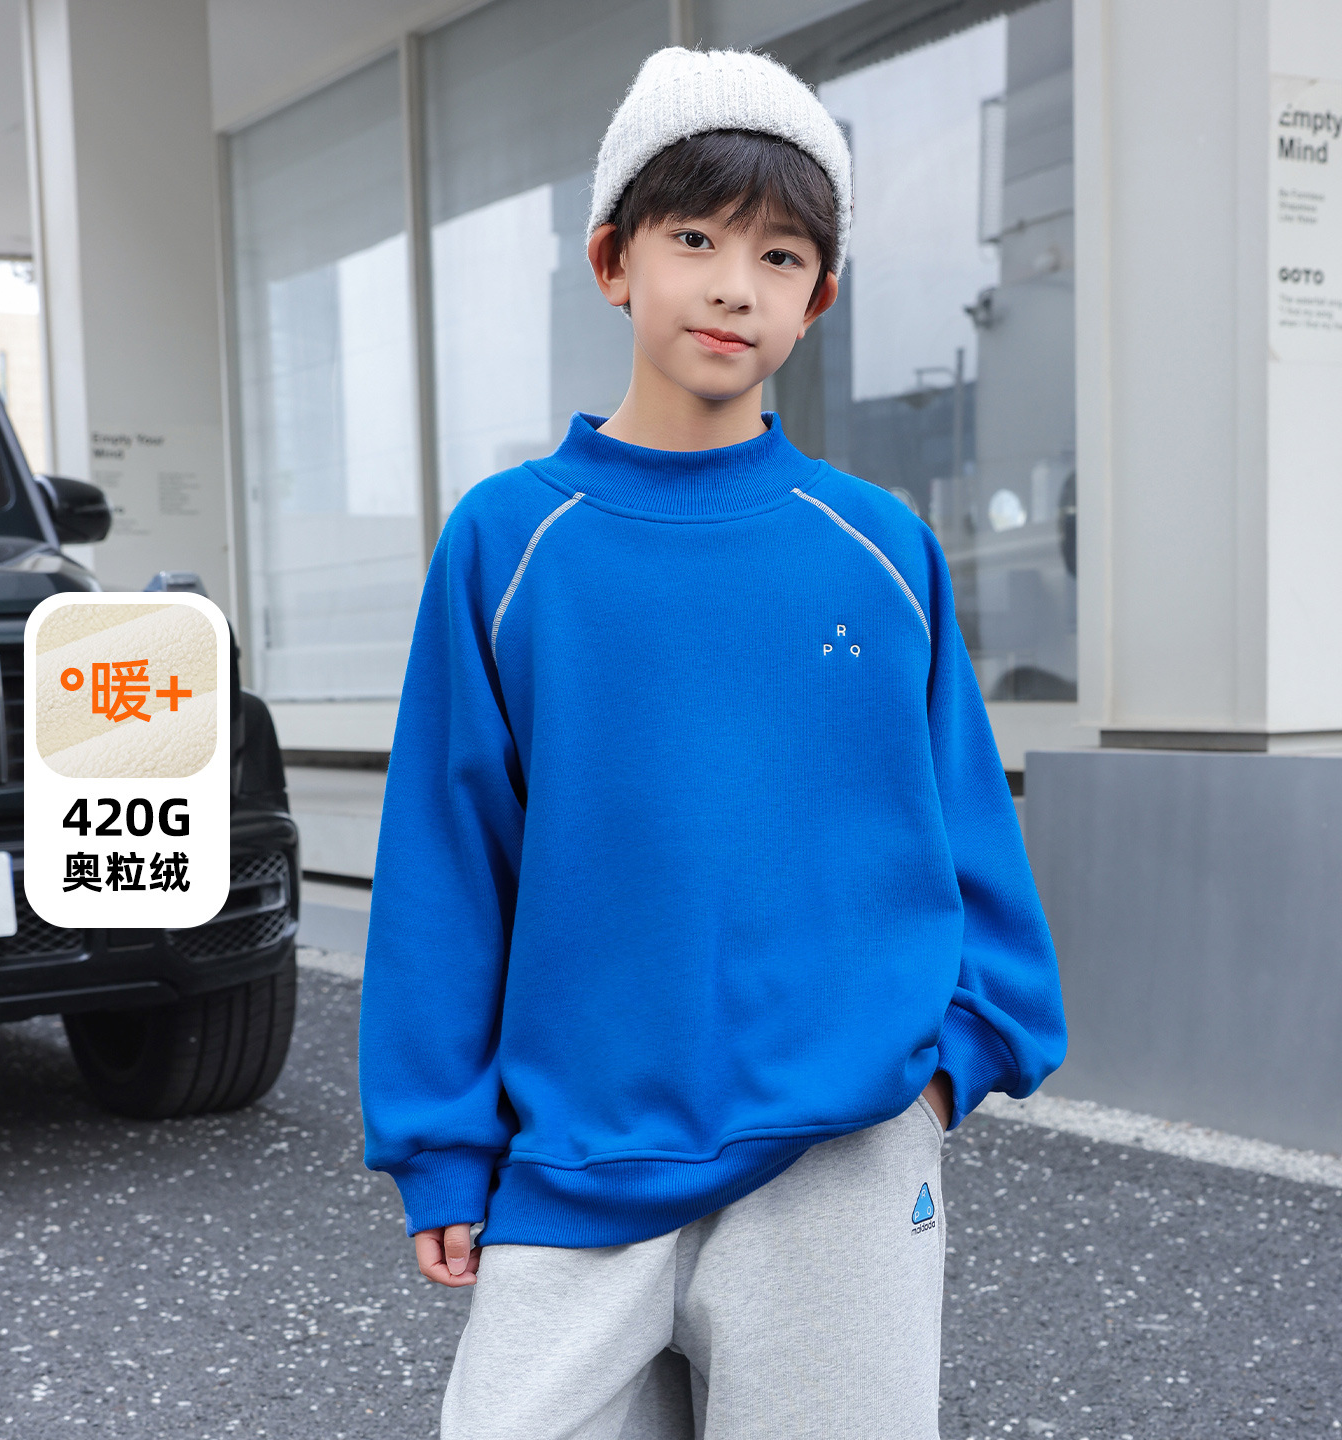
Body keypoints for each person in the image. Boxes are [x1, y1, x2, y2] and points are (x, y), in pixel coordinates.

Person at [358, 45, 1066, 1439]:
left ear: (820, 298)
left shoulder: (879, 548)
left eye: (782, 255)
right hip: (579, 1156)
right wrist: (441, 1140)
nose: (737, 285)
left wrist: (940, 1076)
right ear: (613, 259)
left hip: (843, 1159)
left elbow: (970, 831)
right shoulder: (511, 544)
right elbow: (447, 853)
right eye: (695, 238)